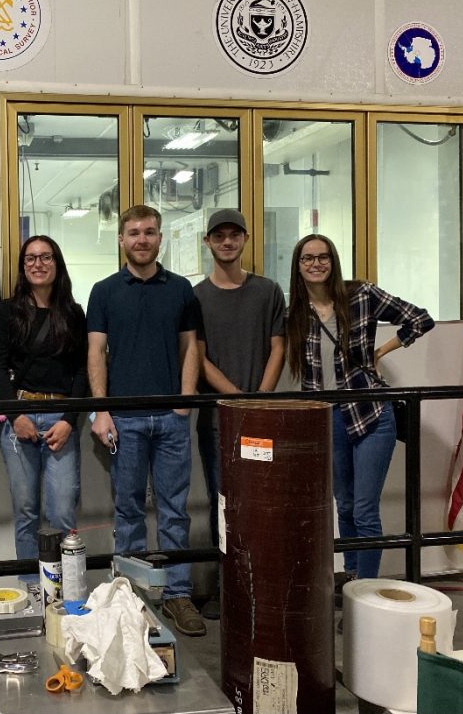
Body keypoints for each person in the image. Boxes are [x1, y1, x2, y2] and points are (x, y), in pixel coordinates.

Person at [286, 234, 433, 581]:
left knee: (366, 509)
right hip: (329, 418)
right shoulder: (293, 311)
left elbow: (419, 319)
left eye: (323, 257)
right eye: (307, 258)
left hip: (371, 415)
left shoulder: (361, 295)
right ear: (298, 266)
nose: (316, 263)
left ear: (334, 262)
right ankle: (352, 578)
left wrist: (381, 352)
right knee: (346, 505)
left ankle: (365, 591)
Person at [87, 204, 205, 637]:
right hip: (125, 420)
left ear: (160, 238)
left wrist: (185, 400)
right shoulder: (103, 291)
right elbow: (95, 351)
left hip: (171, 420)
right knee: (128, 510)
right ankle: (132, 597)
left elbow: (191, 346)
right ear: (121, 239)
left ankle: (177, 594)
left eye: (150, 232)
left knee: (175, 512)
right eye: (133, 232)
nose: (142, 239)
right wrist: (101, 409)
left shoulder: (181, 290)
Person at [193, 208, 285, 619]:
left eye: (234, 235)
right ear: (207, 242)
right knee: (223, 502)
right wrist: (234, 398)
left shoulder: (268, 291)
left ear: (246, 239)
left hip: (262, 417)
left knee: (263, 501)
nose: (227, 242)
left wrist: (259, 399)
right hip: (217, 421)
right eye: (219, 236)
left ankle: (262, 585)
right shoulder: (195, 297)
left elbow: (278, 346)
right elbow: (198, 355)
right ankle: (227, 588)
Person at [0, 235, 87, 577]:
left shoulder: (74, 314)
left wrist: (70, 421)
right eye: (30, 258)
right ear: (22, 266)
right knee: (26, 511)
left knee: (62, 511)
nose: (38, 264)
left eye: (46, 257)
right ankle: (33, 587)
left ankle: (67, 586)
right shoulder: (7, 311)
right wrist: (15, 417)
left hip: (61, 419)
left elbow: (81, 372)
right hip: (20, 420)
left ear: (57, 264)